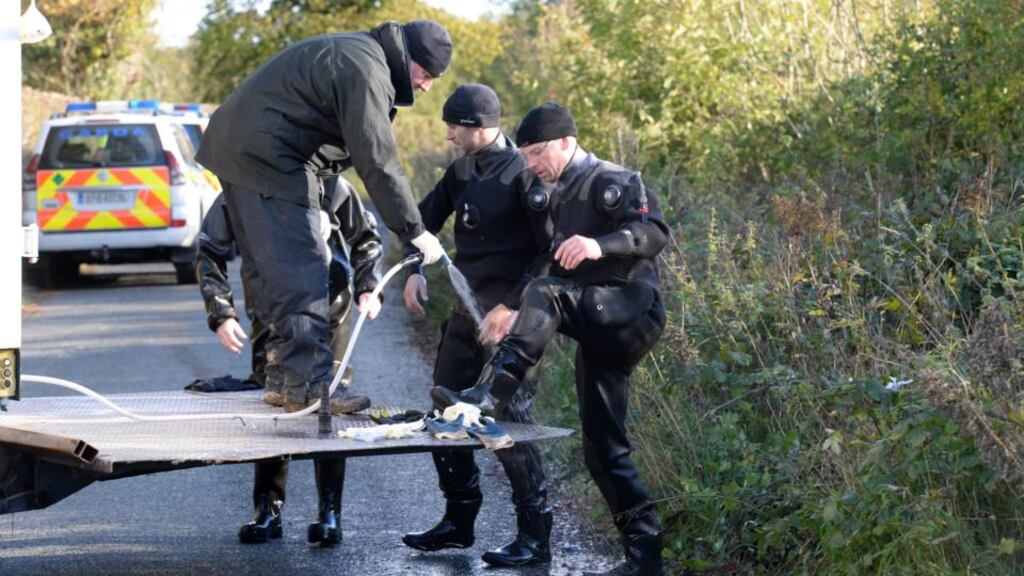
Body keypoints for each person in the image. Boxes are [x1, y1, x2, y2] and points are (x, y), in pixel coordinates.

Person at [433, 103, 671, 576]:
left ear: (566, 142)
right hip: (595, 323)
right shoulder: (550, 194)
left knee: (548, 294)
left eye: (538, 153)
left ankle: (489, 394)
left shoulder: (616, 179)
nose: (532, 165)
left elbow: (654, 232)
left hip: (630, 312)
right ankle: (646, 558)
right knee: (603, 449)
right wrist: (509, 305)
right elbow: (548, 260)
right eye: (524, 156)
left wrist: (599, 244)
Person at [196, 20, 451, 415]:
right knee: (304, 267)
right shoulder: (367, 69)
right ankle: (311, 385)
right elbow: (378, 162)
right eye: (427, 75)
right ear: (410, 58)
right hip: (267, 156)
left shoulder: (359, 53)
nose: (426, 86)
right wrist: (413, 230)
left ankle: (283, 380)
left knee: (274, 271)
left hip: (243, 149)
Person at [399, 84, 554, 567]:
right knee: (444, 410)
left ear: (479, 127)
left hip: (512, 321)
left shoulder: (525, 175)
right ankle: (458, 520)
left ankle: (534, 534)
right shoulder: (461, 169)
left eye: (454, 126)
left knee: (507, 424)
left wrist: (510, 306)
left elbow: (548, 251)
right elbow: (420, 223)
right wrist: (413, 270)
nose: (448, 135)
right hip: (466, 315)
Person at [196, 175, 383, 546]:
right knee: (273, 406)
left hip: (329, 313)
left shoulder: (330, 184)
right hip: (270, 314)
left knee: (328, 407)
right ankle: (267, 507)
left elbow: (367, 238)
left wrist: (367, 286)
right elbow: (208, 249)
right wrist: (222, 313)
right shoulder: (242, 183)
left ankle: (329, 511)